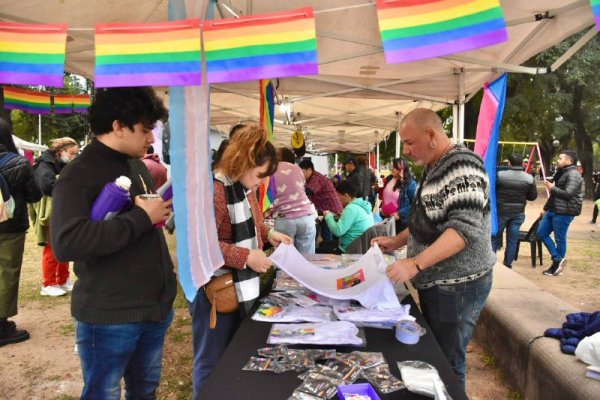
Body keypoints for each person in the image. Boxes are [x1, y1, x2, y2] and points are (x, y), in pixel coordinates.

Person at [50, 87, 177, 399]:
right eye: (146, 130)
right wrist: (139, 219)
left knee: (145, 390)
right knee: (103, 393)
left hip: (152, 308)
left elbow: (141, 222)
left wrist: (154, 214)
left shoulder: (134, 165)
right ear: (119, 126)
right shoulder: (77, 175)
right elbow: (67, 243)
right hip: (110, 315)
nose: (151, 139)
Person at [371, 108, 495, 388]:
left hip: (458, 286)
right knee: (437, 354)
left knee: (448, 361)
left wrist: (415, 263)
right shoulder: (433, 166)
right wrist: (396, 241)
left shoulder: (462, 166)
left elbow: (464, 231)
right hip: (438, 284)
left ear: (431, 135)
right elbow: (425, 221)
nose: (406, 151)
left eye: (409, 142)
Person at [192, 124, 291, 397]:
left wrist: (270, 234)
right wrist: (247, 256)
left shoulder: (242, 189)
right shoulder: (215, 191)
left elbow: (255, 224)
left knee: (233, 354)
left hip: (238, 287)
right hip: (216, 291)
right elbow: (203, 245)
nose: (262, 182)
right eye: (260, 175)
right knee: (211, 361)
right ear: (244, 163)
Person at [0, 118, 42, 347]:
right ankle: (1, 326)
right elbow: (34, 195)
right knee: (6, 274)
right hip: (9, 227)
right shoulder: (17, 163)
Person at [33, 137, 78, 297]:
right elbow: (46, 186)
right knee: (52, 248)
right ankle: (49, 283)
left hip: (61, 210)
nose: (73, 157)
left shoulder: (57, 163)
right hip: (50, 212)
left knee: (63, 244)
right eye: (72, 154)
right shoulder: (45, 164)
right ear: (62, 151)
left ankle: (63, 279)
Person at [537, 150, 583, 276]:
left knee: (559, 239)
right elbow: (554, 196)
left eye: (560, 158)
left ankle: (556, 266)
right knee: (541, 232)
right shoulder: (561, 173)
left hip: (565, 211)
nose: (558, 160)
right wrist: (545, 208)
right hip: (553, 210)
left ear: (568, 161)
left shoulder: (573, 174)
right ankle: (558, 259)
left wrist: (552, 187)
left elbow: (568, 194)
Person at [492, 153, 538, 268]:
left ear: (509, 163)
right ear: (522, 163)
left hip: (501, 211)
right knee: (512, 240)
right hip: (518, 212)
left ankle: (491, 262)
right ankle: (508, 264)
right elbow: (532, 196)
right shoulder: (529, 178)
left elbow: (492, 190)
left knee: (495, 237)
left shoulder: (500, 175)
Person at [270, 148, 316, 253]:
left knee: (284, 257)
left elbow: (271, 195)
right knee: (307, 259)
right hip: (306, 216)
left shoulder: (271, 170)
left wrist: (277, 206)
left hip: (283, 218)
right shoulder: (298, 169)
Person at [323, 181, 374, 253]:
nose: (338, 199)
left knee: (320, 249)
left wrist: (328, 215)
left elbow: (338, 231)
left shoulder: (351, 208)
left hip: (350, 249)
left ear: (346, 195)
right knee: (325, 244)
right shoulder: (364, 205)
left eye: (338, 196)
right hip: (361, 246)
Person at [299, 159, 343, 241]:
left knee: (328, 234)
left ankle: (329, 251)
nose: (301, 175)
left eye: (302, 172)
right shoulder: (310, 179)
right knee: (326, 233)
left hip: (331, 210)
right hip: (327, 210)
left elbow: (308, 192)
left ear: (309, 170)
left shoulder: (316, 178)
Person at [378, 157, 417, 233]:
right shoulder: (390, 178)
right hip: (385, 217)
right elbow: (387, 195)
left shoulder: (410, 184)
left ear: (402, 169)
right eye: (392, 167)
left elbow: (416, 204)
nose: (392, 169)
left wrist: (399, 213)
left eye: (395, 167)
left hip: (399, 222)